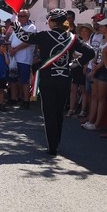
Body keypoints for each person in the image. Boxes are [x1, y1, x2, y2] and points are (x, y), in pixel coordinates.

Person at [12, 8, 94, 156]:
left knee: (49, 112)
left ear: (53, 21)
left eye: (49, 20)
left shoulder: (45, 35)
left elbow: (24, 36)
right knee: (58, 112)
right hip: (64, 79)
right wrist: (75, 64)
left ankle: (52, 146)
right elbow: (90, 52)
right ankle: (56, 143)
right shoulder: (73, 38)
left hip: (47, 79)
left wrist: (16, 23)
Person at [82, 17, 107, 131]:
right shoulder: (102, 39)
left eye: (102, 26)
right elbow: (97, 54)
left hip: (104, 70)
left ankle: (97, 123)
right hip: (97, 68)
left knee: (101, 98)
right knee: (94, 96)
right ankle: (91, 120)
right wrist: (93, 65)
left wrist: (95, 68)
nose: (100, 27)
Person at [9, 9, 35, 109]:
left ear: (27, 17)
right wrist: (11, 49)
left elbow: (28, 41)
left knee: (24, 80)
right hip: (14, 58)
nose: (19, 18)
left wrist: (15, 49)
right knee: (13, 79)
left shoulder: (31, 27)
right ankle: (13, 99)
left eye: (22, 16)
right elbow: (10, 40)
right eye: (19, 16)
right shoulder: (17, 27)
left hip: (24, 58)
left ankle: (26, 100)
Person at [68, 23, 92, 118]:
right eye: (82, 30)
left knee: (83, 89)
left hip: (84, 66)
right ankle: (71, 109)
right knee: (73, 88)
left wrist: (83, 59)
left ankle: (83, 110)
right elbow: (73, 54)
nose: (83, 32)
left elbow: (90, 55)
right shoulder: (78, 42)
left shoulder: (91, 42)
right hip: (75, 65)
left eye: (85, 31)